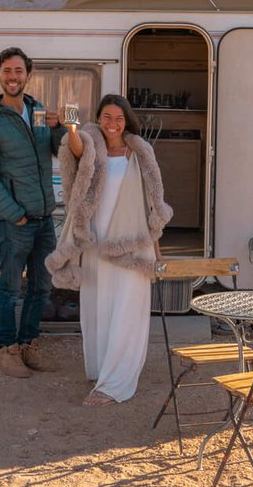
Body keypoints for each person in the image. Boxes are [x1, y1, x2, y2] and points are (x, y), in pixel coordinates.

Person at [47, 94, 171, 405]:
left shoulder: (140, 153)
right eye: (106, 117)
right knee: (98, 306)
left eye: (118, 118)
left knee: (128, 310)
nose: (112, 124)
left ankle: (115, 383)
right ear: (99, 119)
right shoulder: (92, 145)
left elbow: (151, 204)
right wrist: (72, 128)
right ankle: (102, 371)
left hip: (133, 245)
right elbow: (76, 150)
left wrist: (157, 252)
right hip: (96, 242)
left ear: (126, 120)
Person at [0, 47, 64, 379]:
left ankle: (28, 344)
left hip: (44, 218)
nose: (13, 77)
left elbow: (59, 151)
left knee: (41, 287)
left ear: (28, 74)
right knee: (10, 289)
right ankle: (7, 349)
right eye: (7, 71)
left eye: (19, 71)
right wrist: (15, 213)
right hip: (16, 222)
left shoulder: (37, 111)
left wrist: (59, 128)